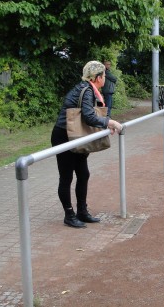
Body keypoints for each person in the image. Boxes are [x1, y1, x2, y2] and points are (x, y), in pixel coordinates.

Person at [51, 61, 123, 228]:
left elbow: (89, 115)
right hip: (64, 136)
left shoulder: (88, 89)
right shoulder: (86, 90)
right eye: (104, 75)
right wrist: (110, 122)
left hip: (76, 135)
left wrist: (105, 123)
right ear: (98, 78)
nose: (105, 78)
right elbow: (89, 117)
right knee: (66, 177)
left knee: (83, 174)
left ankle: (82, 211)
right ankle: (69, 214)